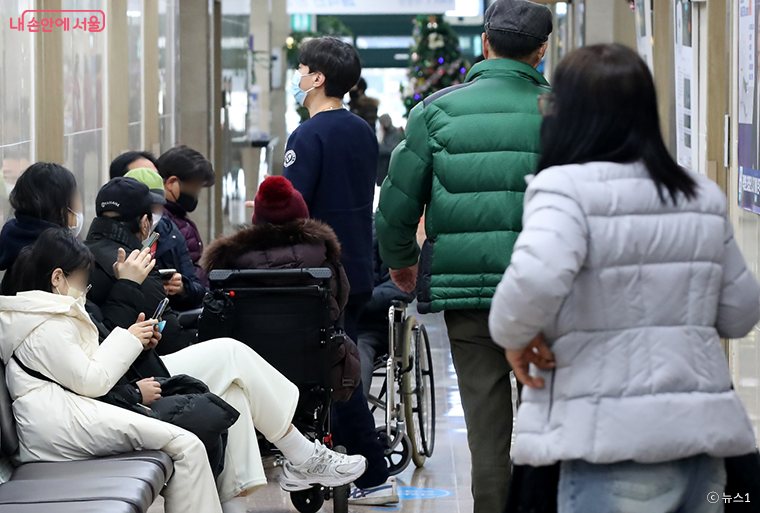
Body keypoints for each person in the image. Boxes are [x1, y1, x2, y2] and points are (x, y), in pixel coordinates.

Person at [489, 44, 760, 513]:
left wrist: (513, 336)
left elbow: (534, 280)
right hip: (705, 447)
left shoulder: (564, 189)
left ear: (566, 112)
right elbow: (740, 314)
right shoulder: (699, 193)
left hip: (604, 449)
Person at [1, 228, 369, 513]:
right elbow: (91, 371)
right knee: (230, 362)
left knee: (233, 386)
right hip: (117, 391)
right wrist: (129, 292)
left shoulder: (53, 305)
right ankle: (302, 454)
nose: (85, 290)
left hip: (127, 377)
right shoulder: (49, 313)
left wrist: (136, 332)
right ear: (57, 277)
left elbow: (92, 354)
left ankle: (267, 482)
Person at [375, 1, 552, 511]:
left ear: (484, 43)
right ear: (542, 50)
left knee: (486, 433)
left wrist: (402, 259)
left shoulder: (436, 111)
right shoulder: (564, 112)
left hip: (472, 297)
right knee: (550, 427)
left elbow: (395, 204)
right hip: (547, 295)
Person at [207, 176, 398, 506]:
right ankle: (358, 472)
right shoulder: (323, 255)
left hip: (250, 367)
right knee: (342, 354)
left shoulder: (229, 258)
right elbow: (341, 301)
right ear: (301, 214)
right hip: (312, 364)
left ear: (257, 218)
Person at [278, 35, 388, 502]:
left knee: (333, 376)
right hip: (360, 266)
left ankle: (371, 474)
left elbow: (293, 210)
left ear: (317, 78)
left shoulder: (308, 135)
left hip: (321, 275)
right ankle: (346, 463)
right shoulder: (362, 130)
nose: (298, 77)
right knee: (341, 366)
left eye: (301, 69)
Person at [85, 177, 195, 355]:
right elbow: (172, 342)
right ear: (145, 223)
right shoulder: (138, 267)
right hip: (135, 369)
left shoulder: (77, 254)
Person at [125, 167, 207, 310]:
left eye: (157, 207)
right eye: (146, 207)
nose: (150, 215)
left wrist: (182, 288)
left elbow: (199, 289)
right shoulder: (115, 240)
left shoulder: (172, 236)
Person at [0, 163, 84, 295]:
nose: (79, 208)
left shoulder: (11, 240)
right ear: (61, 208)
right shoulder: (61, 256)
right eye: (77, 198)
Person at [357, 220, 415, 399]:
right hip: (325, 322)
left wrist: (360, 300)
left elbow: (402, 285)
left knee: (356, 353)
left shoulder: (384, 232)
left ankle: (351, 421)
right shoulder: (316, 228)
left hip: (368, 326)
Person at [157, 145, 215, 288]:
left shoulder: (178, 217)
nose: (196, 195)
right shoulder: (164, 222)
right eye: (194, 188)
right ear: (171, 183)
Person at [376, 114, 404, 187]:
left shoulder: (397, 134)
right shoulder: (384, 134)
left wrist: (379, 147)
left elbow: (392, 149)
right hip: (384, 170)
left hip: (390, 170)